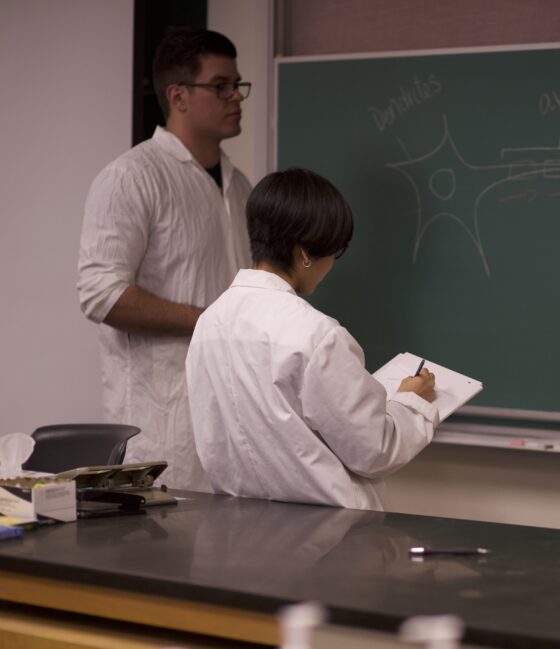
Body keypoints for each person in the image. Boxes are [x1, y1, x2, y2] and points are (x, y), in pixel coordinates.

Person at [185, 168, 439, 509]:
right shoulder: (317, 335)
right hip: (326, 538)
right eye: (335, 251)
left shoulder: (208, 325)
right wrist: (410, 401)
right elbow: (375, 451)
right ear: (304, 253)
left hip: (239, 529)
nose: (332, 263)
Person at [77, 29, 252, 490]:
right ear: (178, 95)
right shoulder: (132, 177)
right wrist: (209, 320)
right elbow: (101, 296)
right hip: (162, 432)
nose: (236, 96)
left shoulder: (240, 186)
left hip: (233, 421)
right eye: (221, 86)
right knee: (164, 558)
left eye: (237, 84)